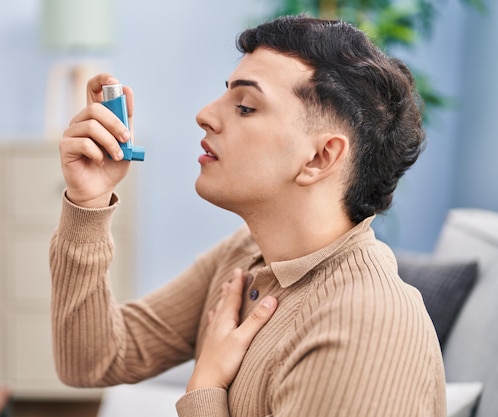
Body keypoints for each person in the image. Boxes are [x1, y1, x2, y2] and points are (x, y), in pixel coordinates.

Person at [50, 14, 446, 417]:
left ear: (320, 157)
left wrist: (204, 388)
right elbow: (93, 360)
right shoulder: (250, 255)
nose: (204, 114)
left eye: (244, 107)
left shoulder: (362, 327)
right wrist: (89, 203)